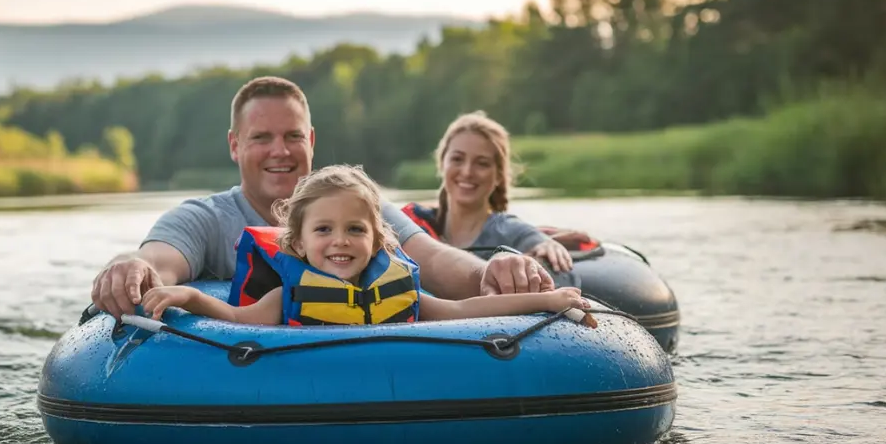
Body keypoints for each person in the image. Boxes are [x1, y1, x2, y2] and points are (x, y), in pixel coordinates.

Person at [91, 77, 555, 320]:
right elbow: (158, 262)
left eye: (293, 135)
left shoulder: (363, 210)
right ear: (234, 145)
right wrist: (132, 266)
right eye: (261, 138)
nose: (280, 151)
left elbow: (434, 263)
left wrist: (493, 269)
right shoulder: (204, 219)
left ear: (311, 140)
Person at [140, 165, 596, 327]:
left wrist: (551, 299)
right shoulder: (286, 298)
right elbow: (236, 318)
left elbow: (463, 312)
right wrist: (187, 294)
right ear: (296, 242)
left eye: (355, 230)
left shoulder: (401, 294)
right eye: (324, 232)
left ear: (377, 238)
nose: (341, 241)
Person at [401, 111, 593, 277]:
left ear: (499, 175)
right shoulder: (414, 223)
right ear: (442, 163)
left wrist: (546, 244)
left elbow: (532, 239)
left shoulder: (510, 230)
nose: (467, 171)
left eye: (482, 163)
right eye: (458, 159)